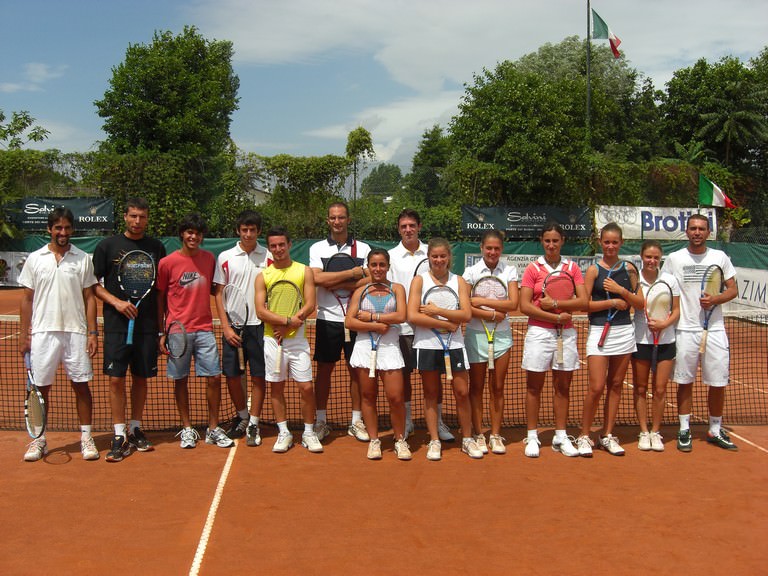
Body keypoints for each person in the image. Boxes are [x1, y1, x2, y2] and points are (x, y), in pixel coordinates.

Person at [19, 207, 100, 462]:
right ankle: (38, 440)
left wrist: (93, 332)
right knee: (40, 389)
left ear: (72, 229)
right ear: (49, 230)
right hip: (43, 333)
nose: (62, 232)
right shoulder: (35, 258)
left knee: (81, 386)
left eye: (66, 228)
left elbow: (90, 297)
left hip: (75, 332)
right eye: (58, 228)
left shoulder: (83, 259)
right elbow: (27, 299)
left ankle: (86, 438)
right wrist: (25, 335)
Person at [93, 197, 166, 462]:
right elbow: (93, 285)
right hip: (116, 325)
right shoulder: (106, 246)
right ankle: (118, 433)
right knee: (115, 379)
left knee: (141, 377)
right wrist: (117, 303)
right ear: (125, 216)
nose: (137, 221)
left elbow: (159, 290)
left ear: (147, 218)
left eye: (142, 217)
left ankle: (135, 427)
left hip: (146, 326)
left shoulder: (156, 247)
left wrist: (161, 329)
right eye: (133, 216)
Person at [157, 213, 233, 449]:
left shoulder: (209, 259)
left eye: (198, 233)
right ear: (182, 234)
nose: (193, 237)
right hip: (177, 331)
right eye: (189, 232)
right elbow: (161, 297)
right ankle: (187, 428)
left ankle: (212, 428)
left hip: (204, 329)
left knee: (214, 377)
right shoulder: (167, 263)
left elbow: (215, 289)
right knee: (181, 380)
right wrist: (162, 332)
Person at [664, 214, 739, 451]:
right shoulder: (674, 259)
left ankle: (715, 429)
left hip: (715, 329)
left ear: (708, 233)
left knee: (718, 382)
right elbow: (665, 290)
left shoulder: (720, 257)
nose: (697, 232)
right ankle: (684, 429)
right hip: (685, 329)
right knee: (684, 381)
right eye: (693, 228)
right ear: (686, 232)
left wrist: (716, 299)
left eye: (701, 229)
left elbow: (733, 289)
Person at [519, 222, 588, 458]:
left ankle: (560, 436)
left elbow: (583, 301)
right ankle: (532, 436)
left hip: (565, 334)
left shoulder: (573, 268)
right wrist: (552, 316)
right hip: (539, 333)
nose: (551, 245)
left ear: (562, 241)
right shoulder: (532, 269)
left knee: (563, 386)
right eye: (547, 241)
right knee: (533, 386)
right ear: (542, 241)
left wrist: (558, 306)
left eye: (555, 241)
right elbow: (525, 305)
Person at [408, 237, 479, 461]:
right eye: (434, 256)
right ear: (428, 257)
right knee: (430, 393)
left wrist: (436, 311)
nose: (438, 260)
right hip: (427, 345)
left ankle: (467, 439)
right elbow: (412, 315)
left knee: (462, 392)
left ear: (449, 257)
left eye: (442, 256)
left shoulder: (459, 281)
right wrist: (445, 324)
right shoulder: (419, 281)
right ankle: (434, 440)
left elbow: (466, 314)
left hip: (455, 345)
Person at [577, 222, 644, 457]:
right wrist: (611, 302)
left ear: (621, 243)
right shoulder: (594, 270)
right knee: (596, 387)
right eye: (606, 242)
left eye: (615, 242)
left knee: (616, 385)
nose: (610, 246)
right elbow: (585, 305)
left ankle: (606, 434)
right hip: (598, 331)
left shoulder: (630, 270)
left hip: (624, 332)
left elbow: (640, 303)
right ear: (600, 242)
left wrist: (621, 291)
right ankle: (584, 435)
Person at [388, 208, 454, 441]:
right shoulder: (391, 256)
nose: (408, 230)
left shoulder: (433, 252)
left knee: (435, 377)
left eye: (412, 225)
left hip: (432, 327)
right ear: (399, 229)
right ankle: (407, 421)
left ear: (419, 227)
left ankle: (438, 421)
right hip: (403, 328)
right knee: (404, 376)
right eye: (404, 226)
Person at [309, 202, 371, 443]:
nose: (337, 221)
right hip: (327, 319)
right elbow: (316, 278)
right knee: (324, 371)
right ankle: (321, 421)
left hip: (355, 318)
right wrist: (351, 274)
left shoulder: (363, 248)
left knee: (357, 371)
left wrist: (333, 281)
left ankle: (356, 421)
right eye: (333, 218)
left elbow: (367, 281)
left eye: (341, 217)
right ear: (328, 221)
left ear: (348, 219)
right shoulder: (317, 248)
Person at [254, 227, 320, 453]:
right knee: (276, 387)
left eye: (282, 244)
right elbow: (260, 311)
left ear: (289, 245)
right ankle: (284, 432)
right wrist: (284, 321)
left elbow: (310, 303)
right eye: (273, 246)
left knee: (306, 387)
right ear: (269, 248)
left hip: (298, 340)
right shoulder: (263, 276)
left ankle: (309, 433)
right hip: (272, 340)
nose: (278, 249)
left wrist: (292, 322)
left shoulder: (304, 271)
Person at [346, 249, 411, 460]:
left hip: (390, 348)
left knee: (396, 397)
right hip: (365, 347)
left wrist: (372, 317)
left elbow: (402, 315)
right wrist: (377, 325)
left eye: (382, 265)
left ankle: (400, 440)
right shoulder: (360, 291)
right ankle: (374, 440)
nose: (378, 269)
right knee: (367, 395)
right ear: (368, 266)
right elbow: (349, 321)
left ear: (388, 267)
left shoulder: (397, 289)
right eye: (373, 265)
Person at [213, 210, 270, 446]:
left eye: (253, 230)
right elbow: (219, 293)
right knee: (232, 375)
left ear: (258, 231)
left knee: (259, 376)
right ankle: (242, 416)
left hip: (260, 326)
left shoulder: (268, 256)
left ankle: (254, 421)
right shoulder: (225, 257)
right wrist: (226, 326)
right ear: (238, 231)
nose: (248, 234)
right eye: (244, 230)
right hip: (233, 327)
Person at [462, 230, 519, 455]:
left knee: (498, 387)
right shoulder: (471, 272)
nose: (493, 252)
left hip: (503, 336)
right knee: (475, 388)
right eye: (489, 248)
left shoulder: (510, 270)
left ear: (501, 249)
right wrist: (493, 313)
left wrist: (481, 302)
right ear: (482, 248)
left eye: (496, 248)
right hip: (476, 336)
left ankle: (495, 434)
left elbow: (513, 304)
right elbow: (466, 306)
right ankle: (478, 433)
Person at [631, 240, 680, 452]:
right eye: (648, 257)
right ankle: (643, 431)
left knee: (660, 389)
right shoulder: (635, 280)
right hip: (641, 340)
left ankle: (656, 432)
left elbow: (677, 310)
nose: (652, 261)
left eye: (656, 257)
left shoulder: (670, 280)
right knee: (640, 388)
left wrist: (664, 324)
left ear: (660, 259)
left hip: (666, 341)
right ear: (641, 256)